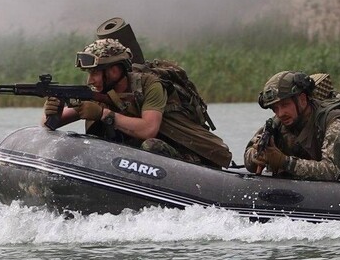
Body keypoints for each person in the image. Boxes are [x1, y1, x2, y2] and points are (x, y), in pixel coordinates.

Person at [41, 39, 232, 168]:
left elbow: (149, 129)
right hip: (135, 164)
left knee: (151, 146)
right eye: (88, 74)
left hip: (186, 157)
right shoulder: (97, 93)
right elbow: (48, 125)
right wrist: (52, 111)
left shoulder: (150, 85)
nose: (90, 80)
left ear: (114, 70)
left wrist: (103, 114)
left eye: (95, 72)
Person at [243, 71, 340, 183]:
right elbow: (249, 152)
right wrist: (257, 156)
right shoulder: (278, 123)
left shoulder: (336, 123)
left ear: (302, 100)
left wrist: (283, 161)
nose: (280, 113)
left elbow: (330, 170)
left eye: (285, 105)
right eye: (275, 108)